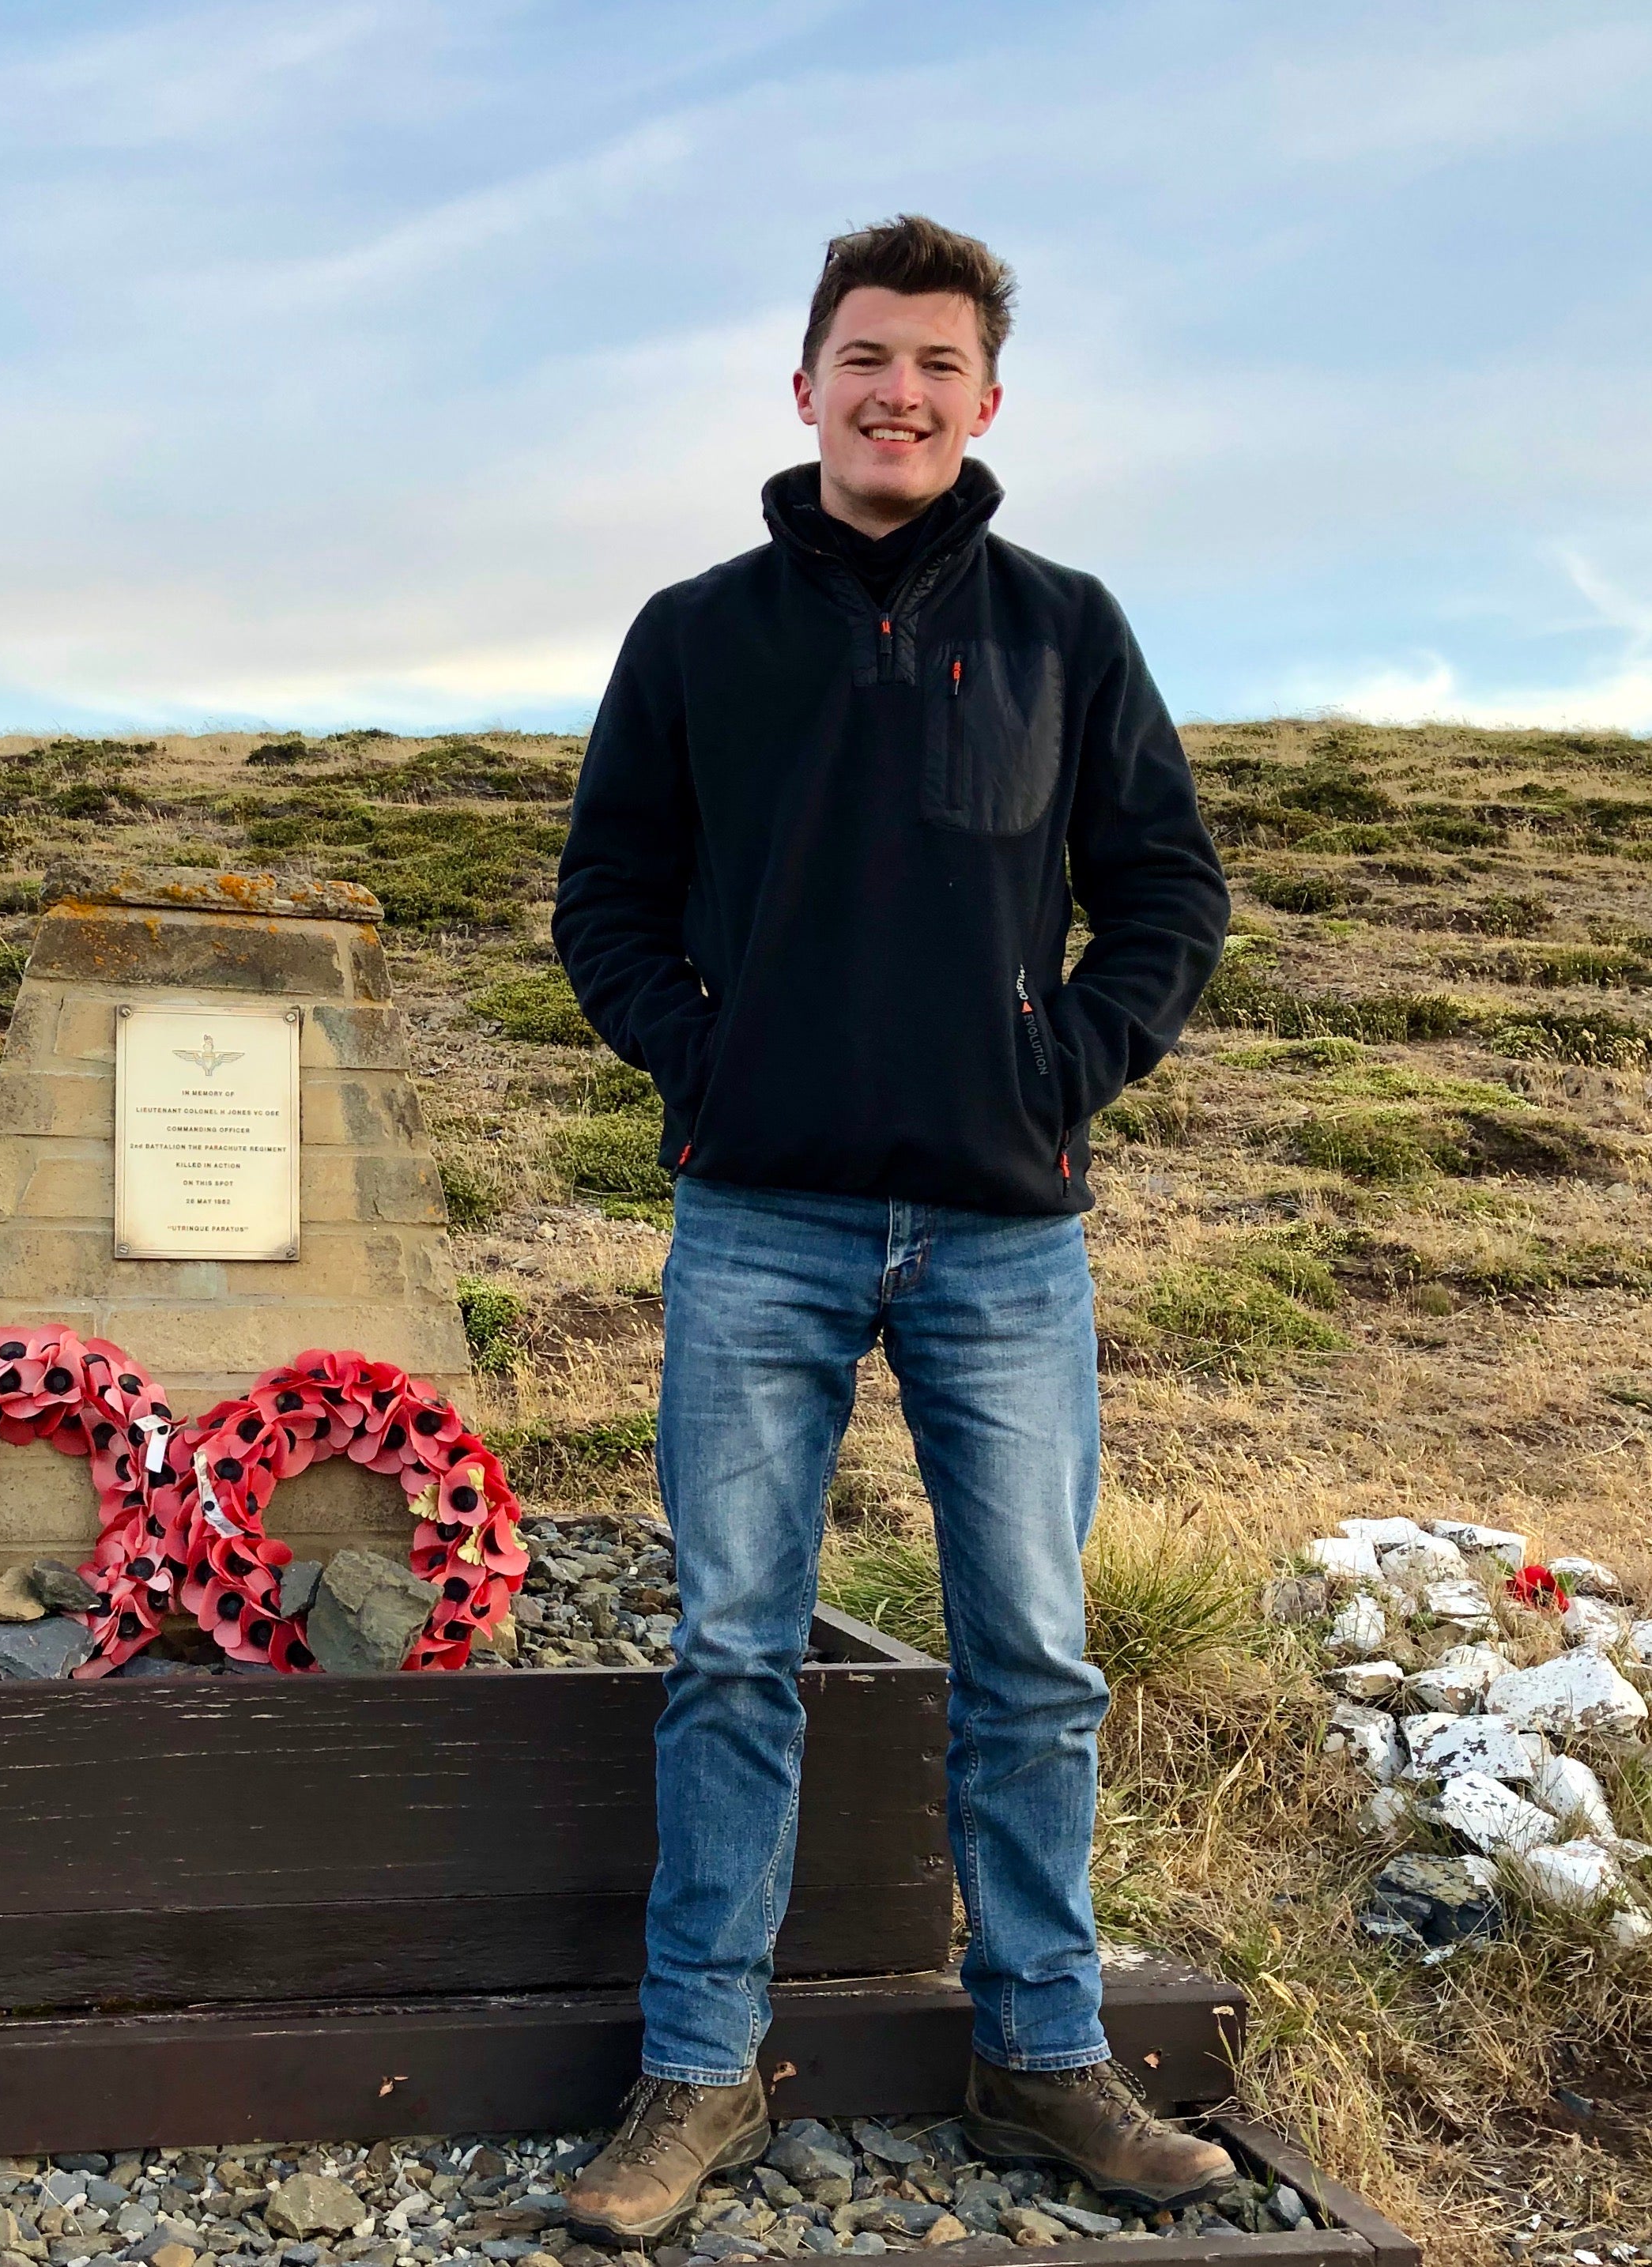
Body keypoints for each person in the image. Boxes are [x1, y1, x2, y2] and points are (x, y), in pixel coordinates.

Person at [553, 216, 1234, 2239]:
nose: (898, 392)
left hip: (1002, 1240)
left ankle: (1041, 2059)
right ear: (803, 386)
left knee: (1028, 1661)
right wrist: (709, 1070)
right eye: (865, 357)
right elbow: (605, 897)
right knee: (730, 1656)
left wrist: (1054, 1070)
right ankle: (693, 2078)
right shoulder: (695, 634)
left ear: (983, 401)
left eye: (937, 364)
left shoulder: (1063, 629)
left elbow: (1166, 896)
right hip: (754, 1225)